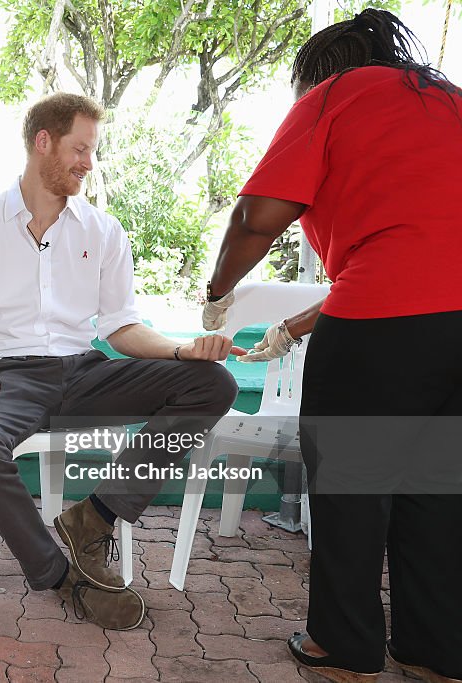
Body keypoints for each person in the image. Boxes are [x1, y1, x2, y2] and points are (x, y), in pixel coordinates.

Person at [203, 9, 462, 681]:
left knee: (351, 486)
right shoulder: (452, 104)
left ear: (320, 70)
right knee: (437, 493)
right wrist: (292, 326)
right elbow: (416, 261)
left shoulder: (334, 96)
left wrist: (217, 289)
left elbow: (257, 216)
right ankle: (434, 647)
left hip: (379, 333)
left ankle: (343, 644)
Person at [0, 92, 241, 631]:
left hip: (86, 373)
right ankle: (59, 574)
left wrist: (182, 350)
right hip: (8, 377)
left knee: (212, 383)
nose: (87, 163)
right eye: (79, 149)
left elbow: (122, 327)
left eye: (91, 151)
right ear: (42, 142)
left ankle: (95, 517)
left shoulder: (103, 230)